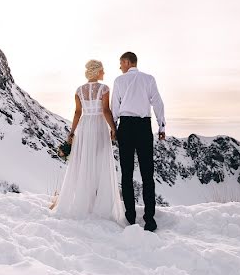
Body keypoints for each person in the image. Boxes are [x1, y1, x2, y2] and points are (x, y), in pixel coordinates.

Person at [50, 59, 126, 225]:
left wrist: (72, 132)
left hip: (84, 126)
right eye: (102, 70)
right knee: (99, 162)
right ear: (97, 71)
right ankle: (98, 205)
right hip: (98, 125)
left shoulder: (79, 90)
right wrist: (113, 128)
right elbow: (106, 110)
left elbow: (78, 112)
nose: (104, 73)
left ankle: (83, 202)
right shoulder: (104, 89)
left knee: (84, 161)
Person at [111, 51, 166, 231]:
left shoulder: (119, 81)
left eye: (121, 63)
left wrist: (113, 129)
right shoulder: (149, 79)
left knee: (126, 174)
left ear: (127, 62)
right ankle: (149, 219)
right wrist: (162, 126)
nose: (120, 67)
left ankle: (130, 217)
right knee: (147, 174)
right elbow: (157, 102)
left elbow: (114, 108)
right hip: (144, 127)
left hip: (125, 127)